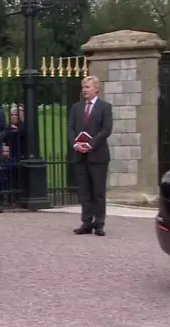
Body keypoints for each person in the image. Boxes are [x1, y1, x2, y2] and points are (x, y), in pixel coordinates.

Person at [68, 75, 113, 236]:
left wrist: (90, 144)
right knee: (84, 191)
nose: (84, 90)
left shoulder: (105, 107)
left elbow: (106, 130)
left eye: (87, 87)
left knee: (98, 192)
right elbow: (71, 128)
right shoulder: (76, 107)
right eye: (83, 87)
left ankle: (99, 223)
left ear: (96, 89)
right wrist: (76, 144)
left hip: (98, 156)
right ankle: (86, 222)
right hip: (81, 155)